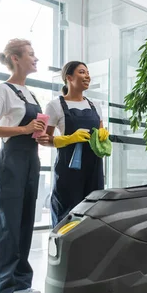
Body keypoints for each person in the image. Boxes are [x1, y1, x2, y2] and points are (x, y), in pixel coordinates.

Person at [0, 38, 46, 293]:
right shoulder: (2, 91)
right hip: (11, 161)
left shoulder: (30, 94)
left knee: (24, 222)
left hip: (31, 159)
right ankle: (2, 291)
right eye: (31, 54)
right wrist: (23, 130)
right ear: (15, 58)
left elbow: (33, 127)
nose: (36, 58)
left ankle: (20, 282)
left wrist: (39, 134)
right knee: (6, 223)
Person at [38, 61, 109, 227]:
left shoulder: (95, 105)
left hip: (93, 169)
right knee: (67, 214)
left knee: (93, 212)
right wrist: (66, 139)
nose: (87, 76)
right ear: (69, 78)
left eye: (88, 72)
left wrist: (104, 137)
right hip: (68, 170)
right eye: (82, 72)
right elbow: (43, 139)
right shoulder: (55, 105)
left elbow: (101, 133)